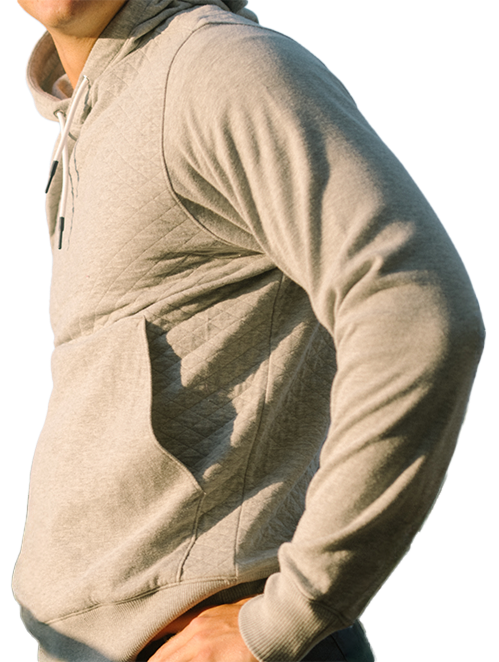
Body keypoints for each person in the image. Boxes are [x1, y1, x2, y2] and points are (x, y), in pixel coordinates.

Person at [12, 1, 486, 661]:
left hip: (210, 630)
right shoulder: (95, 109)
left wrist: (293, 612)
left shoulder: (219, 68)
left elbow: (414, 309)